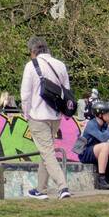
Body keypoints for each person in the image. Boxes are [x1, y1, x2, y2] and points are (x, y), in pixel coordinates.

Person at [20, 36, 72, 200]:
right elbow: (66, 91)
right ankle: (41, 189)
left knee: (47, 152)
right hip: (55, 115)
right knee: (46, 150)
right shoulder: (60, 65)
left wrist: (26, 113)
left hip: (38, 115)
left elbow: (25, 95)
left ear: (33, 51)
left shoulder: (31, 66)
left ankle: (62, 186)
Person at [78, 100, 109, 190]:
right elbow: (103, 138)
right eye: (108, 113)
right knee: (105, 145)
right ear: (100, 115)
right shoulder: (91, 124)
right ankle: (101, 179)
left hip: (97, 151)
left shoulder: (104, 125)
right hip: (85, 153)